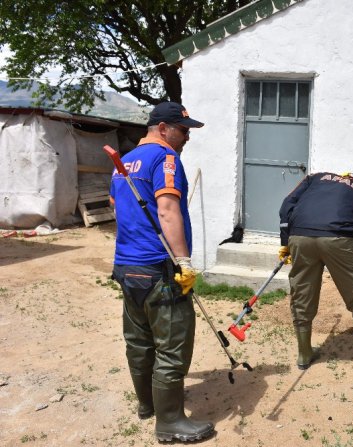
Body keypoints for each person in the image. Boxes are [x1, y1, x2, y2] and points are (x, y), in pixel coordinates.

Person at [109, 102, 214, 442]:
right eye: (184, 131)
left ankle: (147, 404)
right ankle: (169, 421)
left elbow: (116, 207)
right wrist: (183, 262)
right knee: (172, 344)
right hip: (158, 267)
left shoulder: (123, 162)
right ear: (164, 128)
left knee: (139, 339)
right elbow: (167, 211)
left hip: (128, 266)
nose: (186, 138)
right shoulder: (166, 159)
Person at [278, 172, 353, 369]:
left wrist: (285, 242)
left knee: (302, 294)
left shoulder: (314, 178)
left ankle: (304, 353)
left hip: (300, 236)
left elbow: (286, 204)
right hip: (338, 239)